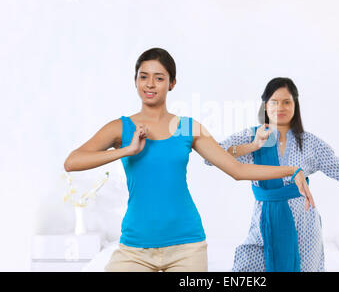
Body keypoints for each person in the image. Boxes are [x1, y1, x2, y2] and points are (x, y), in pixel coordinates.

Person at [63, 48, 313, 272]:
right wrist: (126, 150)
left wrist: (291, 170)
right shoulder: (121, 127)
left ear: (172, 83)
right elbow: (72, 162)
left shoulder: (186, 128)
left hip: (186, 247)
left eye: (159, 78)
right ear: (136, 81)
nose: (150, 84)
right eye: (143, 76)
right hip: (134, 249)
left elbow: (236, 169)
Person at [205, 77, 339, 272]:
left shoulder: (310, 143)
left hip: (303, 226)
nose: (280, 107)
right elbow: (210, 157)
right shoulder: (252, 135)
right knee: (247, 266)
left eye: (286, 102)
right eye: (274, 102)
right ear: (265, 106)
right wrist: (253, 145)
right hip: (264, 223)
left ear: (295, 105)